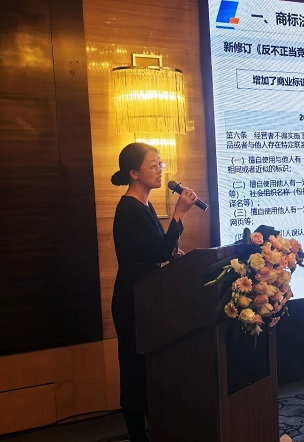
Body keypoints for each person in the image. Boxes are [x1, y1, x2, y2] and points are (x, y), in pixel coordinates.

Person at [110, 142, 198, 441]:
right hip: (132, 298)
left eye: (161, 163)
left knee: (147, 368)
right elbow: (158, 251)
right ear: (133, 173)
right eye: (153, 165)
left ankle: (151, 430)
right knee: (134, 369)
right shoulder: (129, 209)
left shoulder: (144, 206)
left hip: (146, 295)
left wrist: (171, 254)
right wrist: (179, 212)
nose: (160, 170)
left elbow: (154, 251)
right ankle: (138, 435)